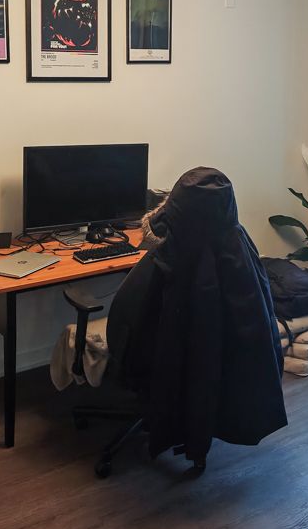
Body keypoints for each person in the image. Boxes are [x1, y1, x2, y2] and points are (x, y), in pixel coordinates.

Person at [107, 167, 287, 465]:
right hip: (210, 366)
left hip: (158, 358)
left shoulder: (170, 251)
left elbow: (127, 318)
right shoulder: (237, 246)